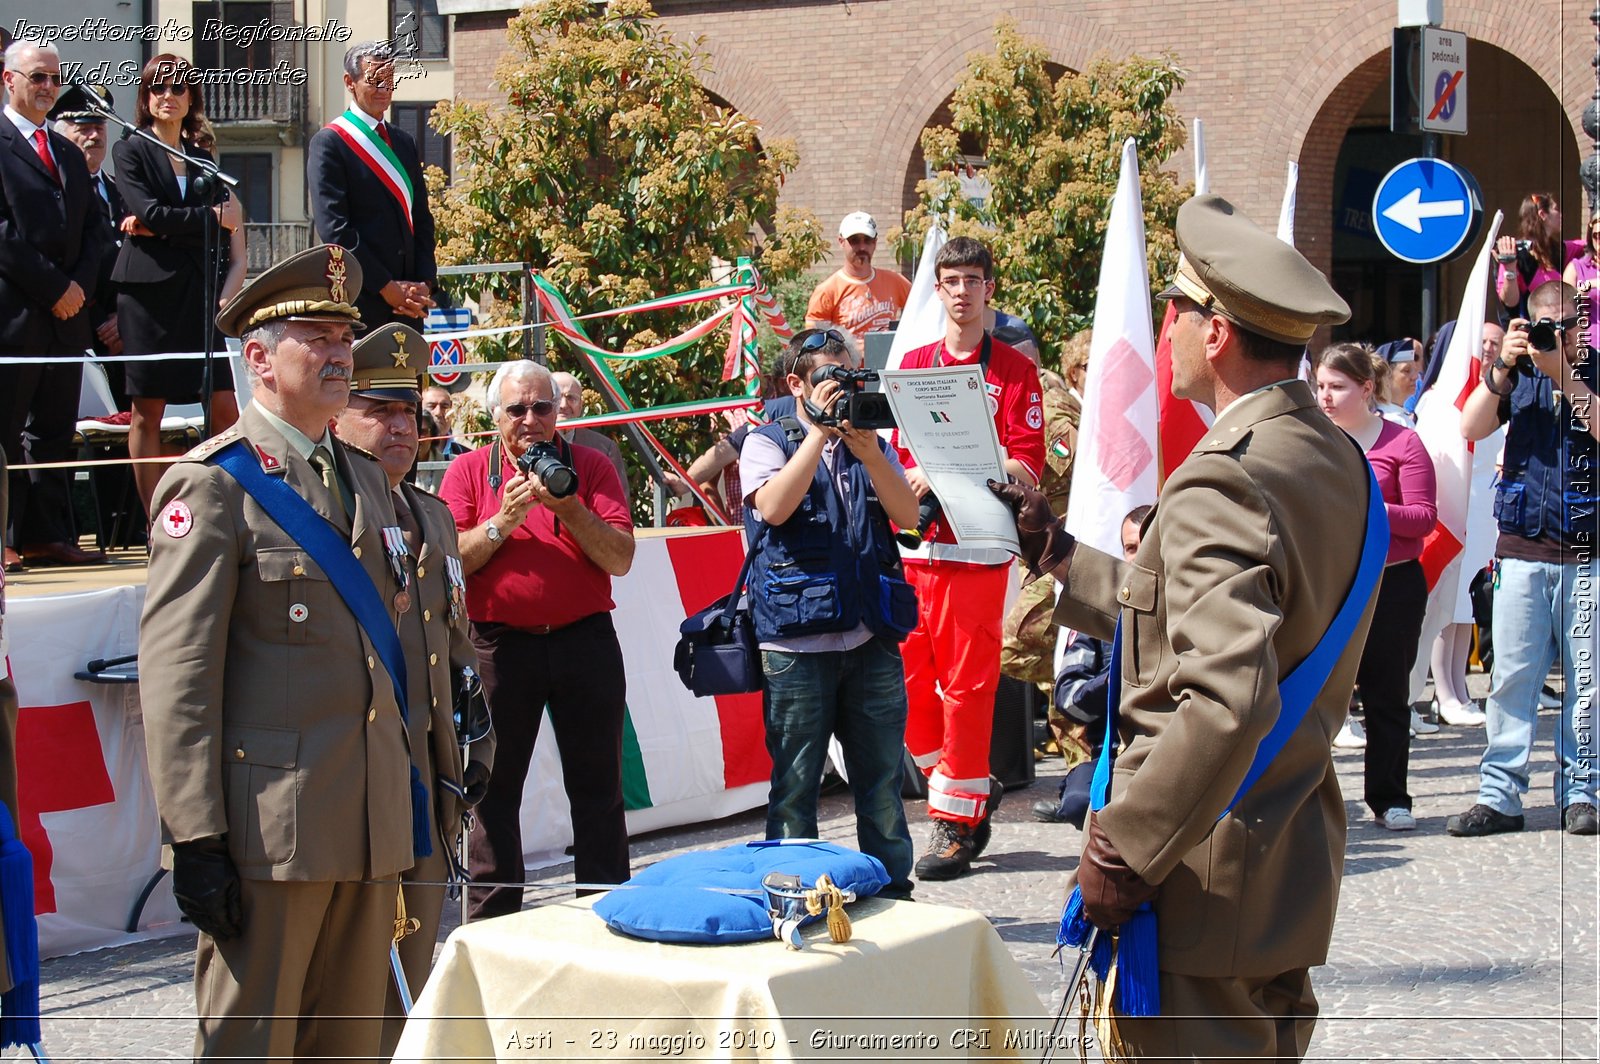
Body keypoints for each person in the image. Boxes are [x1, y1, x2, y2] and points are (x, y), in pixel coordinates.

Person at [992, 193, 1374, 1060]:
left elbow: (1228, 698)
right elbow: (1241, 618)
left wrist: (1123, 851)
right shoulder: (1329, 451)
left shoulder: (1224, 481)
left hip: (1202, 872)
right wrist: (1061, 555)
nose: (1164, 326)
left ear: (1216, 333)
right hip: (1286, 860)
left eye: (1178, 308)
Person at [138, 244, 417, 1061]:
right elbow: (181, 677)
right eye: (315, 334)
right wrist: (195, 839)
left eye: (344, 334)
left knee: (354, 1048)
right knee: (250, 1048)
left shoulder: (364, 478)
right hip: (271, 839)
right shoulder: (212, 485)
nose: (340, 352)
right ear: (258, 358)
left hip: (367, 827)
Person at [331, 324, 495, 1054]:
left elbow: (453, 647)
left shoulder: (428, 514)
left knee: (414, 971)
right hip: (359, 789)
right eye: (380, 410)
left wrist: (470, 753)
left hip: (432, 787)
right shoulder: (328, 517)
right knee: (348, 990)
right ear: (338, 414)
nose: (402, 428)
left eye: (410, 413)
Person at [440, 360, 635, 918]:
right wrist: (503, 519)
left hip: (585, 642)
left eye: (542, 407)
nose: (530, 420)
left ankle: (609, 919)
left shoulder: (591, 466)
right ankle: (493, 933)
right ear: (494, 417)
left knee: (598, 791)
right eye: (517, 409)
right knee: (492, 795)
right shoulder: (468, 472)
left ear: (560, 411)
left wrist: (568, 507)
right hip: (500, 648)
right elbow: (453, 561)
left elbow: (620, 558)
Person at [741, 328, 920, 896]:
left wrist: (869, 452)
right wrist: (816, 436)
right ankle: (793, 899)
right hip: (796, 648)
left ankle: (895, 894)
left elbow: (908, 514)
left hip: (869, 639)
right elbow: (771, 507)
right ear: (796, 383)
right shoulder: (765, 440)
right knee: (795, 787)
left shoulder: (870, 439)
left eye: (849, 376)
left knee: (882, 785)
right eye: (828, 378)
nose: (842, 390)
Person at [891, 236, 1045, 880]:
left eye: (971, 281)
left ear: (989, 289)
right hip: (917, 546)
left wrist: (954, 466)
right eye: (949, 281)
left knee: (967, 687)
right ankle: (966, 782)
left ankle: (953, 827)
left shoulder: (1015, 370)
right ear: (938, 290)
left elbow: (1027, 467)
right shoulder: (916, 362)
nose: (960, 292)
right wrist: (918, 470)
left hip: (978, 550)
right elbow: (899, 454)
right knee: (908, 687)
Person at [1447, 280, 1600, 838]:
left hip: (1588, 553)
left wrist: (1564, 371)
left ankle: (1581, 792)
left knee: (1589, 683)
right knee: (1510, 678)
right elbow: (1470, 425)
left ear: (1580, 326)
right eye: (1543, 324)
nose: (1551, 334)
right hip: (1520, 548)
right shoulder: (1518, 377)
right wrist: (1502, 369)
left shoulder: (1592, 372)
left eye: (1563, 324)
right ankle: (1500, 796)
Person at [111, 54, 243, 519]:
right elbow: (150, 214)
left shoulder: (202, 156)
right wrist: (203, 219)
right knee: (149, 408)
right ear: (145, 98)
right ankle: (155, 520)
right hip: (148, 295)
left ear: (192, 98)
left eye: (178, 89)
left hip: (199, 290)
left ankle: (219, 509)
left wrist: (169, 227)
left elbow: (206, 229)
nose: (168, 97)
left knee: (224, 406)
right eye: (157, 89)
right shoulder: (130, 149)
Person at [0, 41, 114, 570]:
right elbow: (2, 234)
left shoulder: (67, 151)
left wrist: (79, 290)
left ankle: (46, 535)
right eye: (37, 78)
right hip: (15, 314)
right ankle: (5, 537)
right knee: (4, 429)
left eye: (53, 78)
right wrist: (54, 288)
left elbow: (96, 231)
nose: (47, 87)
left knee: (53, 430)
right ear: (9, 81)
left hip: (68, 319)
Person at [1316, 343, 1438, 830]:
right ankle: (1305, 800)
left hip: (1392, 584)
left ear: (1366, 389)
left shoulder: (1402, 443)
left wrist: (1369, 508)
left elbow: (1424, 517)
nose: (1325, 397)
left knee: (1387, 695)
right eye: (1321, 386)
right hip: (1328, 583)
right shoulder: (1312, 441)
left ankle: (1389, 797)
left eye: (1337, 387)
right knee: (1317, 696)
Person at [309, 41, 437, 331]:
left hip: (410, 303)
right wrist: (385, 285)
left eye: (389, 79)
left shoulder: (404, 143)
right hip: (362, 301)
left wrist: (425, 283)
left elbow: (422, 220)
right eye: (374, 80)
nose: (383, 88)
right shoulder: (330, 142)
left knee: (410, 378)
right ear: (349, 82)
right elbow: (335, 229)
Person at [1031, 505, 1147, 826]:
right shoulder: (1096, 618)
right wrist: (1114, 682)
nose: (1138, 557)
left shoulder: (1185, 610)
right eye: (1130, 548)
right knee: (1080, 803)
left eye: (1147, 545)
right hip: (1109, 752)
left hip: (1164, 751)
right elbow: (1068, 698)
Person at [49, 83, 125, 385]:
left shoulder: (124, 192)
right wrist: (100, 324)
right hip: (76, 330)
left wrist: (125, 320)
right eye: (84, 127)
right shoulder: (53, 194)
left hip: (129, 334)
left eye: (100, 127)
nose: (94, 136)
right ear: (60, 132)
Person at [805, 211, 912, 346]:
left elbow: (924, 310)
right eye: (854, 240)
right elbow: (816, 347)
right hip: (848, 366)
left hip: (888, 365)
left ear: (875, 242)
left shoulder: (895, 281)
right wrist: (853, 351)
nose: (862, 247)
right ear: (841, 242)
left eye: (867, 240)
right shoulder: (826, 291)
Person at [1495, 193, 1582, 322]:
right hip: (1531, 332)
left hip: (1560, 328)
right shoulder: (1516, 253)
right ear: (1543, 214)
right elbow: (1510, 302)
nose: (1561, 215)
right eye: (1556, 209)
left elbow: (1590, 243)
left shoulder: (1560, 249)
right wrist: (1510, 267)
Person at [551, 370, 629, 493]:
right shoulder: (529, 441)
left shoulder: (604, 448)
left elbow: (619, 504)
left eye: (571, 398)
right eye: (557, 397)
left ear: (581, 405)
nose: (563, 405)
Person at [1562, 211, 1600, 357]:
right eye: (1596, 235)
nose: (1599, 239)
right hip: (1590, 346)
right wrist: (1590, 285)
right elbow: (1565, 304)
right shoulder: (1577, 267)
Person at [422, 385, 471, 459]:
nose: (438, 413)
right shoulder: (406, 456)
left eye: (444, 407)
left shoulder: (467, 456)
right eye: (431, 406)